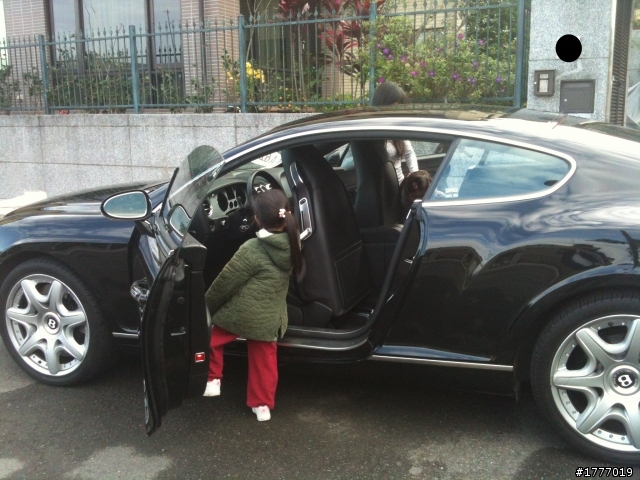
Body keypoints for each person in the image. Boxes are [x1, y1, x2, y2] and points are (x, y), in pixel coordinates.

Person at [202, 188, 303, 422]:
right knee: (264, 361)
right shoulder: (294, 242)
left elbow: (226, 283)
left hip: (240, 314)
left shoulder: (252, 248)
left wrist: (206, 306)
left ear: (257, 220)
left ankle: (213, 379)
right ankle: (262, 406)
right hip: (270, 317)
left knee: (210, 337)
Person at [371, 81, 418, 183]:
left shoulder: (396, 126)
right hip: (379, 188)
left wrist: (415, 175)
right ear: (383, 103)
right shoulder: (369, 130)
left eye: (400, 107)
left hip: (399, 186)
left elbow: (409, 153)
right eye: (395, 106)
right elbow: (347, 164)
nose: (398, 111)